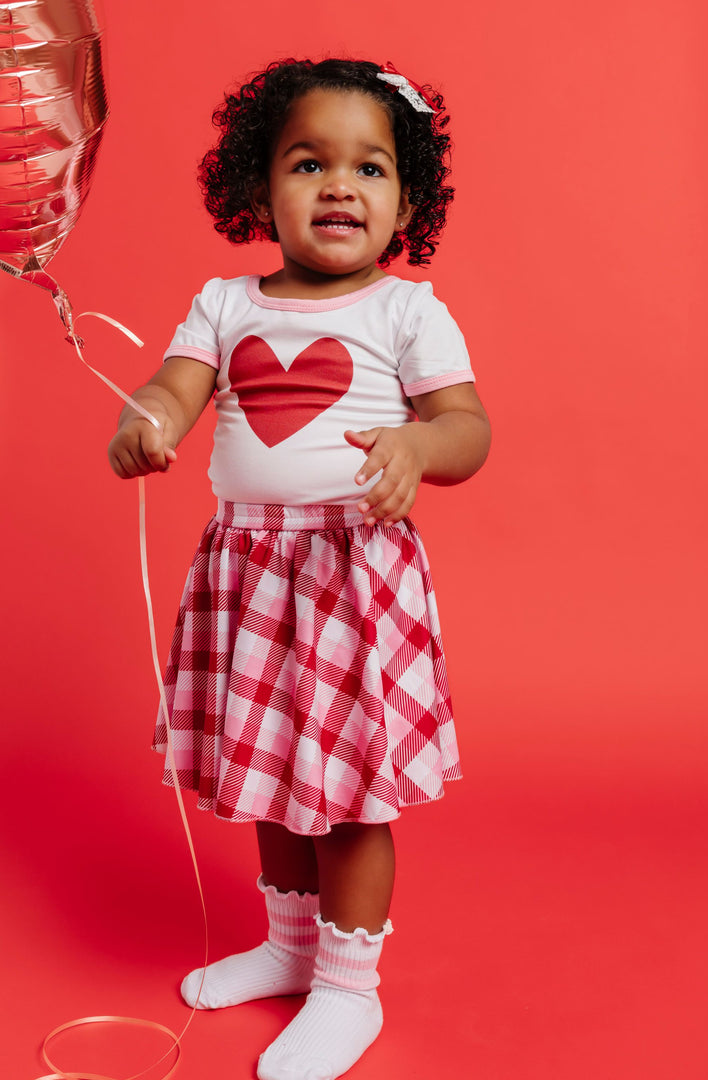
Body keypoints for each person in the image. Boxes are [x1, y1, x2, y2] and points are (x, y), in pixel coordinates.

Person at [108, 57, 491, 1080]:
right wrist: (146, 422)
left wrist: (416, 448)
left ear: (408, 199)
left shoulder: (407, 314)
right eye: (308, 162)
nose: (338, 186)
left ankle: (347, 990)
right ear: (256, 186)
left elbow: (468, 427)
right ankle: (288, 947)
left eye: (370, 169)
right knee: (274, 776)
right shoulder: (225, 303)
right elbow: (174, 388)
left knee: (352, 794)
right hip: (250, 575)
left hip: (352, 579)